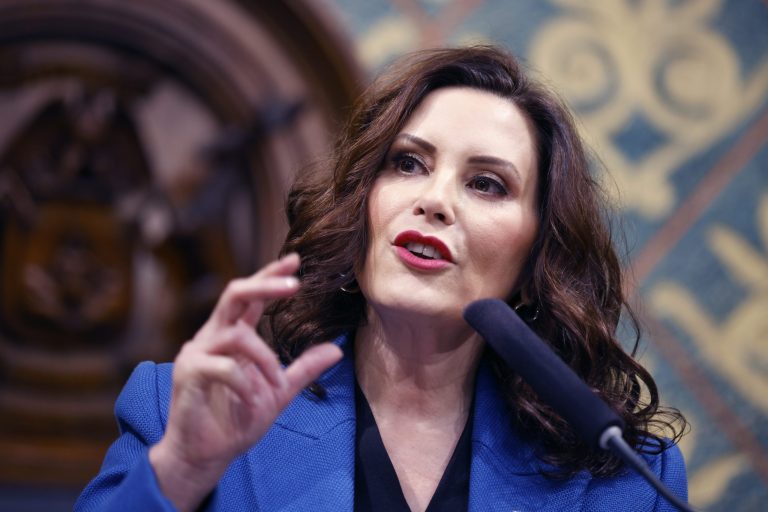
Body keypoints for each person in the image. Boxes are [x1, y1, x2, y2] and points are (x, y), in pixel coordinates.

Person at [75, 46, 688, 511]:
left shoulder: (619, 474)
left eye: (486, 183)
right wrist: (181, 469)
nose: (434, 199)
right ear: (361, 207)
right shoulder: (178, 412)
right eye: (407, 163)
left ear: (535, 259)